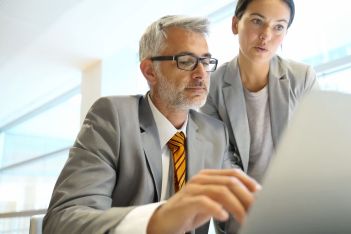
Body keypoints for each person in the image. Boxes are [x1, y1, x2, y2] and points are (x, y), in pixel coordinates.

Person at [42, 15, 259, 234]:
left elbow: (238, 209)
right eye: (185, 61)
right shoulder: (113, 117)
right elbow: (63, 220)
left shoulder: (214, 133)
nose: (201, 73)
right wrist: (158, 220)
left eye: (205, 61)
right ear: (149, 71)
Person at [201, 0, 319, 184]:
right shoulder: (212, 86)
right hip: (240, 199)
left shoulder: (303, 78)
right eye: (257, 21)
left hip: (297, 193)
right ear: (235, 24)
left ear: (285, 33)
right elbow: (220, 154)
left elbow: (316, 143)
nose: (266, 35)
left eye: (278, 27)